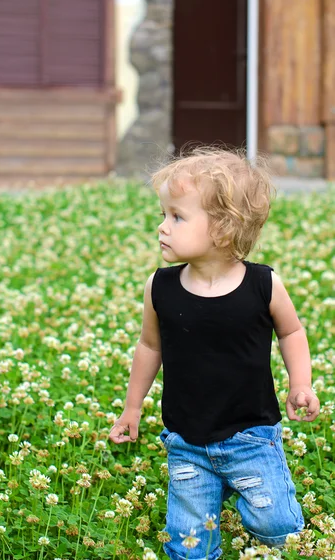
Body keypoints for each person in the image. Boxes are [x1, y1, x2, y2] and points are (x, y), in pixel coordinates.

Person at [109, 147, 320, 560]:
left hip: (252, 437)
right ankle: (209, 496)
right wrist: (132, 407)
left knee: (278, 530)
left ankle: (242, 495)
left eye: (177, 216)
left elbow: (292, 332)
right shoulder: (161, 287)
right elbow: (150, 345)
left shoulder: (264, 284)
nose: (162, 227)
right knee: (188, 548)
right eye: (163, 215)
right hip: (187, 439)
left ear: (223, 228)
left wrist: (301, 383)